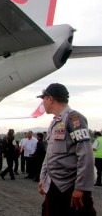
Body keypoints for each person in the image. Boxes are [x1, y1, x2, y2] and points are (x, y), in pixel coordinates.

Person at [37, 83, 96, 215]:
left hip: (69, 187)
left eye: (43, 99)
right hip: (54, 186)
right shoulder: (55, 122)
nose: (42, 103)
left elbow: (86, 154)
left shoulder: (74, 118)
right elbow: (50, 155)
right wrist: (43, 178)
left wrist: (80, 188)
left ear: (50, 99)